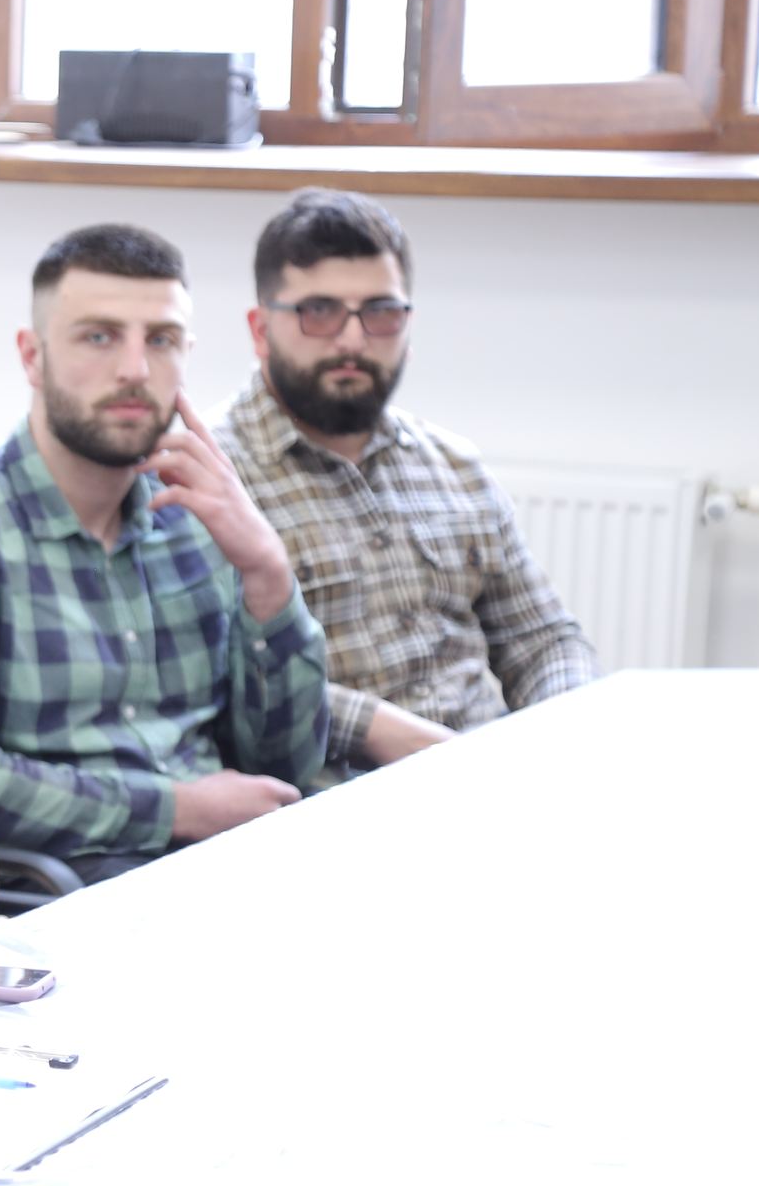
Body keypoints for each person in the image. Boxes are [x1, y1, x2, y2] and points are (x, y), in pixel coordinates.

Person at [0, 224, 329, 887]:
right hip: (78, 889)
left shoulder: (198, 518)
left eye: (161, 340)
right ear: (33, 356)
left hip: (234, 864)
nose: (135, 370)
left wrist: (268, 573)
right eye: (99, 337)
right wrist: (176, 809)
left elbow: (286, 766)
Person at [210, 187, 598, 773]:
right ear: (260, 329)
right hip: (332, 793)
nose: (352, 340)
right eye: (319, 312)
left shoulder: (453, 465)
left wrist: (565, 729)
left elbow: (543, 639)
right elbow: (215, 675)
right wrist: (380, 730)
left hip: (490, 769)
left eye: (381, 312)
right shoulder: (212, 478)